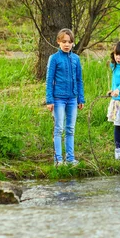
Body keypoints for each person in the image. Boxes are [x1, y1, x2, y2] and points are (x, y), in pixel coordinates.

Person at [46, 28, 85, 166]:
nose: (67, 44)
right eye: (64, 41)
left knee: (70, 129)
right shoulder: (54, 58)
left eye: (69, 42)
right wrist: (49, 100)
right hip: (58, 99)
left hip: (73, 99)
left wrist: (81, 98)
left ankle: (70, 158)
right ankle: (58, 159)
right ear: (58, 42)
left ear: (73, 43)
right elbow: (49, 80)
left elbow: (79, 80)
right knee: (59, 128)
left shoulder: (76, 59)